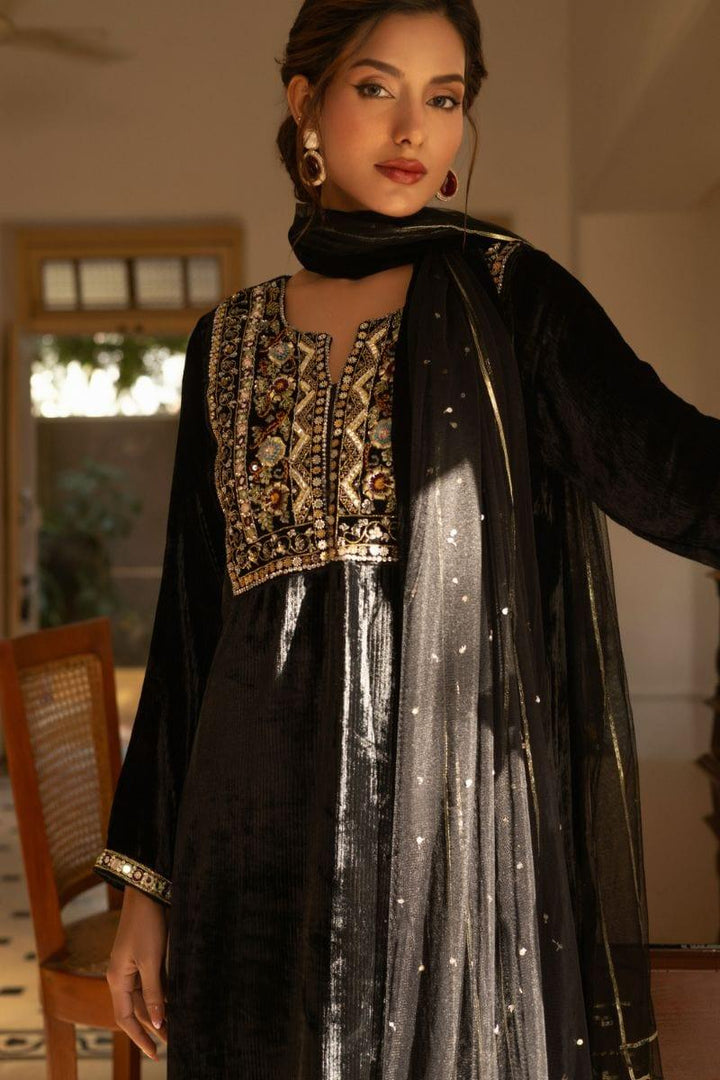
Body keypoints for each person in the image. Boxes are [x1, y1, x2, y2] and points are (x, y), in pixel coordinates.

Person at [93, 3, 720, 1078]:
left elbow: (675, 474)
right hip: (250, 839)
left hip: (446, 833)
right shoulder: (226, 338)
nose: (412, 129)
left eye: (445, 98)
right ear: (305, 104)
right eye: (377, 87)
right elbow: (191, 620)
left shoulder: (513, 299)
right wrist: (143, 893)